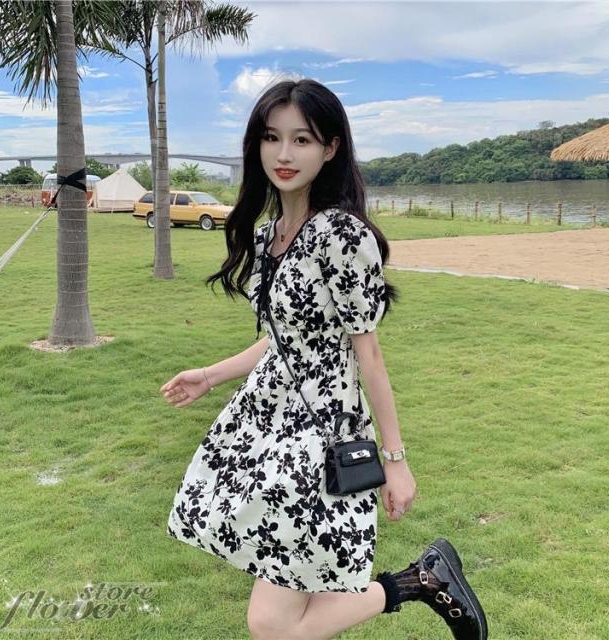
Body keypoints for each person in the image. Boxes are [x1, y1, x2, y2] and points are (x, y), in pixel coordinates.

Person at [161, 78, 488, 640]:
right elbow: (284, 340)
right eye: (272, 137)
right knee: (275, 616)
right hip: (266, 425)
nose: (284, 154)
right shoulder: (268, 237)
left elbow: (370, 353)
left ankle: (420, 581)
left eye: (303, 139)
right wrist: (210, 376)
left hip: (320, 435)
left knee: (271, 623)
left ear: (331, 148)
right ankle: (421, 580)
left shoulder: (342, 236)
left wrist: (395, 459)